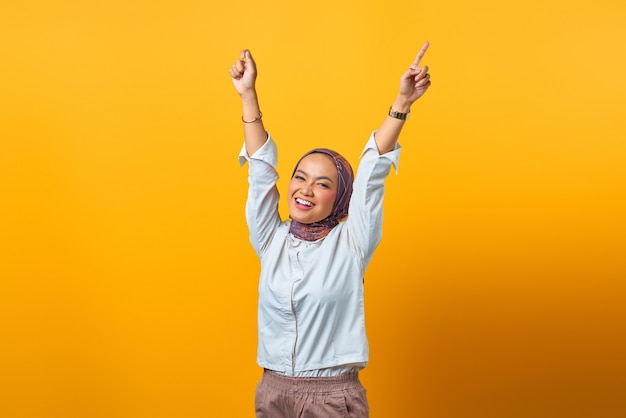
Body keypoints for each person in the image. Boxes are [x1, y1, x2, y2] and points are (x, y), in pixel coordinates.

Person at [229, 43, 431, 418]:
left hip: (331, 399)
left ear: (340, 198)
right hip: (272, 392)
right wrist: (248, 95)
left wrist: (403, 101)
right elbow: (259, 174)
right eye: (300, 177)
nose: (305, 189)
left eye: (322, 184)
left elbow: (371, 173)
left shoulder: (351, 243)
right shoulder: (271, 240)